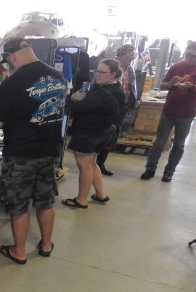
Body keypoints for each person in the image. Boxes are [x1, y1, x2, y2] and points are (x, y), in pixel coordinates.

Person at [0, 38, 67, 264]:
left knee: (19, 205)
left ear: (12, 56)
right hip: (50, 150)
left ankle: (19, 252)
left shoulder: (13, 81)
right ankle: (46, 244)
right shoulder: (58, 76)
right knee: (46, 201)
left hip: (21, 153)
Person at [63, 58, 124, 209]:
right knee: (91, 163)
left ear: (113, 74)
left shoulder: (101, 93)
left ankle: (81, 200)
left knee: (85, 167)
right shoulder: (117, 89)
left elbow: (76, 109)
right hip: (103, 132)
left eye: (103, 72)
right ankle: (100, 194)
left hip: (88, 133)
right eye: (97, 71)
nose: (98, 74)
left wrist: (73, 98)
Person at [140, 41, 196, 182]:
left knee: (179, 145)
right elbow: (162, 85)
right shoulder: (176, 66)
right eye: (188, 55)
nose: (189, 58)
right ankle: (150, 169)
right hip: (169, 111)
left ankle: (169, 172)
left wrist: (191, 87)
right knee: (159, 142)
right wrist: (171, 83)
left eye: (193, 56)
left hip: (187, 113)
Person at [96, 44, 138, 176]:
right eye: (131, 54)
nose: (133, 57)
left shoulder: (131, 70)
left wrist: (132, 102)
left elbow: (132, 87)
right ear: (122, 54)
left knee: (112, 135)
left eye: (134, 54)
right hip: (107, 106)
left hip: (122, 107)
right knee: (101, 133)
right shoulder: (109, 66)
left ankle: (100, 162)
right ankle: (92, 161)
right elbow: (97, 82)